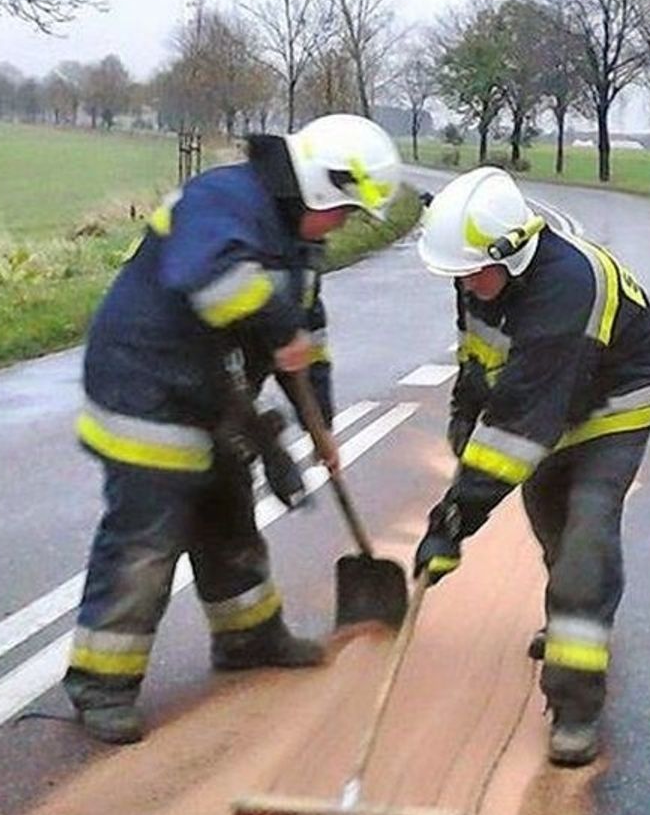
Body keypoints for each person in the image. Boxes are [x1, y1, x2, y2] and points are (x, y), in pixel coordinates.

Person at [62, 114, 403, 744]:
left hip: (215, 393)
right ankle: (100, 683)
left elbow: (307, 338)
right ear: (320, 185)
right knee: (147, 537)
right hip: (146, 384)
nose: (342, 225)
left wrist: (321, 425)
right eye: (345, 210)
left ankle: (248, 635)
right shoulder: (222, 199)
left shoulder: (301, 245)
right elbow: (210, 281)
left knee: (227, 509)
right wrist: (280, 330)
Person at [412, 166, 650, 767]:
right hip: (547, 399)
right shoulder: (478, 273)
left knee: (586, 531)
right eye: (458, 275)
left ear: (514, 253)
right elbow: (479, 355)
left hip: (613, 405)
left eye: (472, 274)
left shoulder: (565, 292)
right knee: (548, 516)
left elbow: (521, 428)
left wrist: (452, 522)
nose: (465, 284)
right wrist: (465, 414)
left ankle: (576, 703)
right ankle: (567, 615)